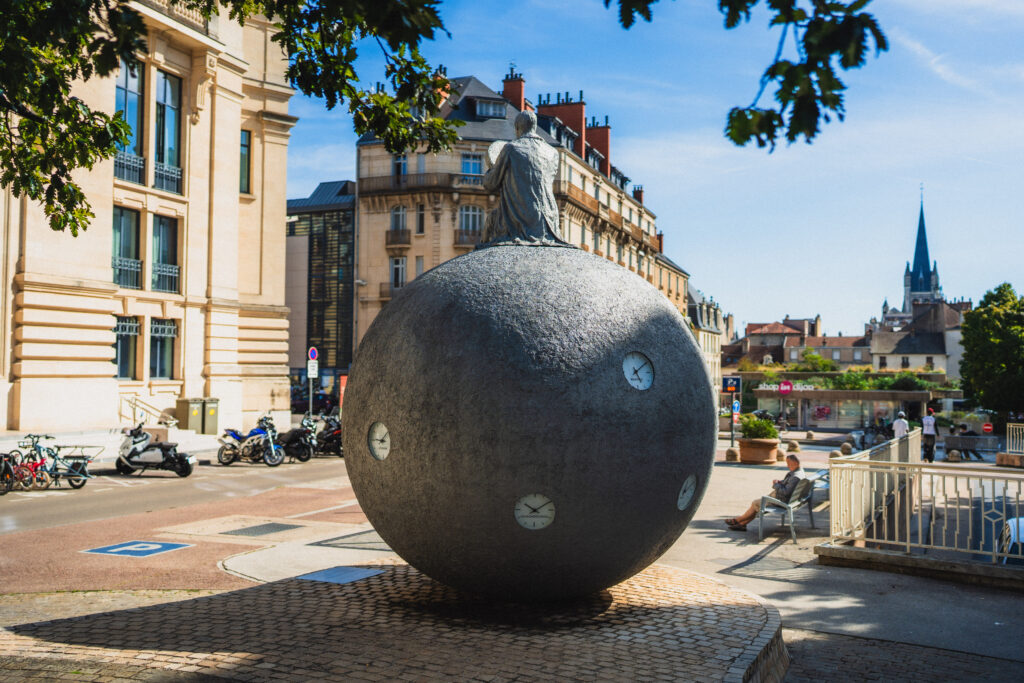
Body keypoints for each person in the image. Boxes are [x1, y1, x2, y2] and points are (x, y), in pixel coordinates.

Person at [481, 110, 567, 246]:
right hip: (549, 219)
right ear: (534, 126)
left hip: (519, 218)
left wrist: (491, 170)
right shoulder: (553, 152)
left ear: (517, 128)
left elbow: (491, 183)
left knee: (491, 222)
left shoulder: (511, 149)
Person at [725, 454, 805, 531]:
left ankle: (737, 520)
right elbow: (788, 485)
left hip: (782, 501)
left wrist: (776, 485)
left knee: (755, 503)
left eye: (789, 464)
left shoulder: (795, 477)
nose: (787, 466)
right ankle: (742, 524)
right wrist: (781, 482)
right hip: (788, 500)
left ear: (795, 463)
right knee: (757, 504)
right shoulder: (799, 472)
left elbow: (785, 492)